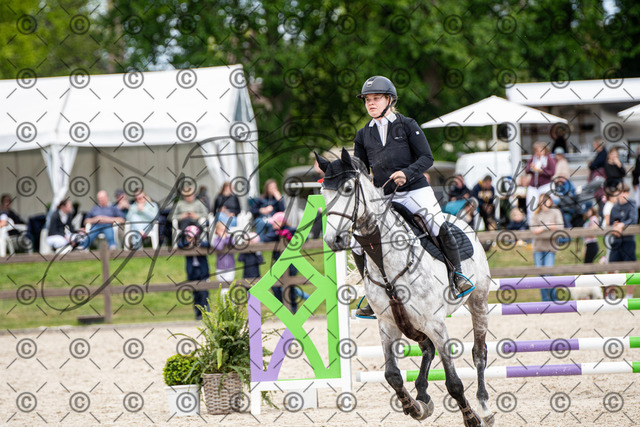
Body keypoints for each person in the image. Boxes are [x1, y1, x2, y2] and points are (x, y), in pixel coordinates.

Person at [351, 75, 473, 318]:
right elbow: (361, 170)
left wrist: (406, 173)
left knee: (436, 223)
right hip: (385, 196)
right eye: (367, 99)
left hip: (415, 190)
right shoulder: (363, 134)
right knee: (357, 242)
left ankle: (457, 274)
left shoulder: (407, 125)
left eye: (376, 98)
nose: (370, 103)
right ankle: (371, 292)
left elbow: (427, 158)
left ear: (390, 100)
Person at [530, 193, 564, 302]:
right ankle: (545, 300)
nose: (543, 203)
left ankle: (554, 299)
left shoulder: (556, 212)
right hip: (538, 248)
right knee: (540, 275)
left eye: (545, 200)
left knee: (548, 273)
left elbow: (560, 226)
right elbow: (534, 229)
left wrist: (543, 227)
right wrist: (548, 226)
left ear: (550, 201)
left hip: (550, 247)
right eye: (541, 200)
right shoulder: (536, 214)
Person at [180, 225, 210, 320]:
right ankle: (198, 314)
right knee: (195, 294)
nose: (189, 239)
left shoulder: (201, 243)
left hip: (202, 271)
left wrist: (198, 244)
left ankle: (206, 313)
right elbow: (180, 244)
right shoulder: (185, 244)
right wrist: (189, 243)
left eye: (191, 237)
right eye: (188, 237)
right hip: (192, 271)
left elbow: (208, 244)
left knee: (203, 293)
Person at [525, 141, 556, 222]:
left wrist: (542, 171)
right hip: (534, 186)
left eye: (540, 151)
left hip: (545, 185)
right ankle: (532, 223)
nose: (538, 153)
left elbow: (552, 172)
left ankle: (549, 222)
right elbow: (527, 170)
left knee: (546, 205)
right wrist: (531, 168)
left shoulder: (549, 159)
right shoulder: (533, 158)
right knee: (531, 206)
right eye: (536, 151)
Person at [212, 221, 236, 290]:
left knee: (228, 287)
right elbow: (219, 247)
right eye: (221, 230)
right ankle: (224, 297)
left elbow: (232, 244)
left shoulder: (229, 238)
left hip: (230, 267)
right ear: (217, 231)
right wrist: (222, 238)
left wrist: (225, 238)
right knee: (222, 287)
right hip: (220, 268)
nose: (223, 232)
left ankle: (226, 297)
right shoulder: (216, 240)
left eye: (225, 230)